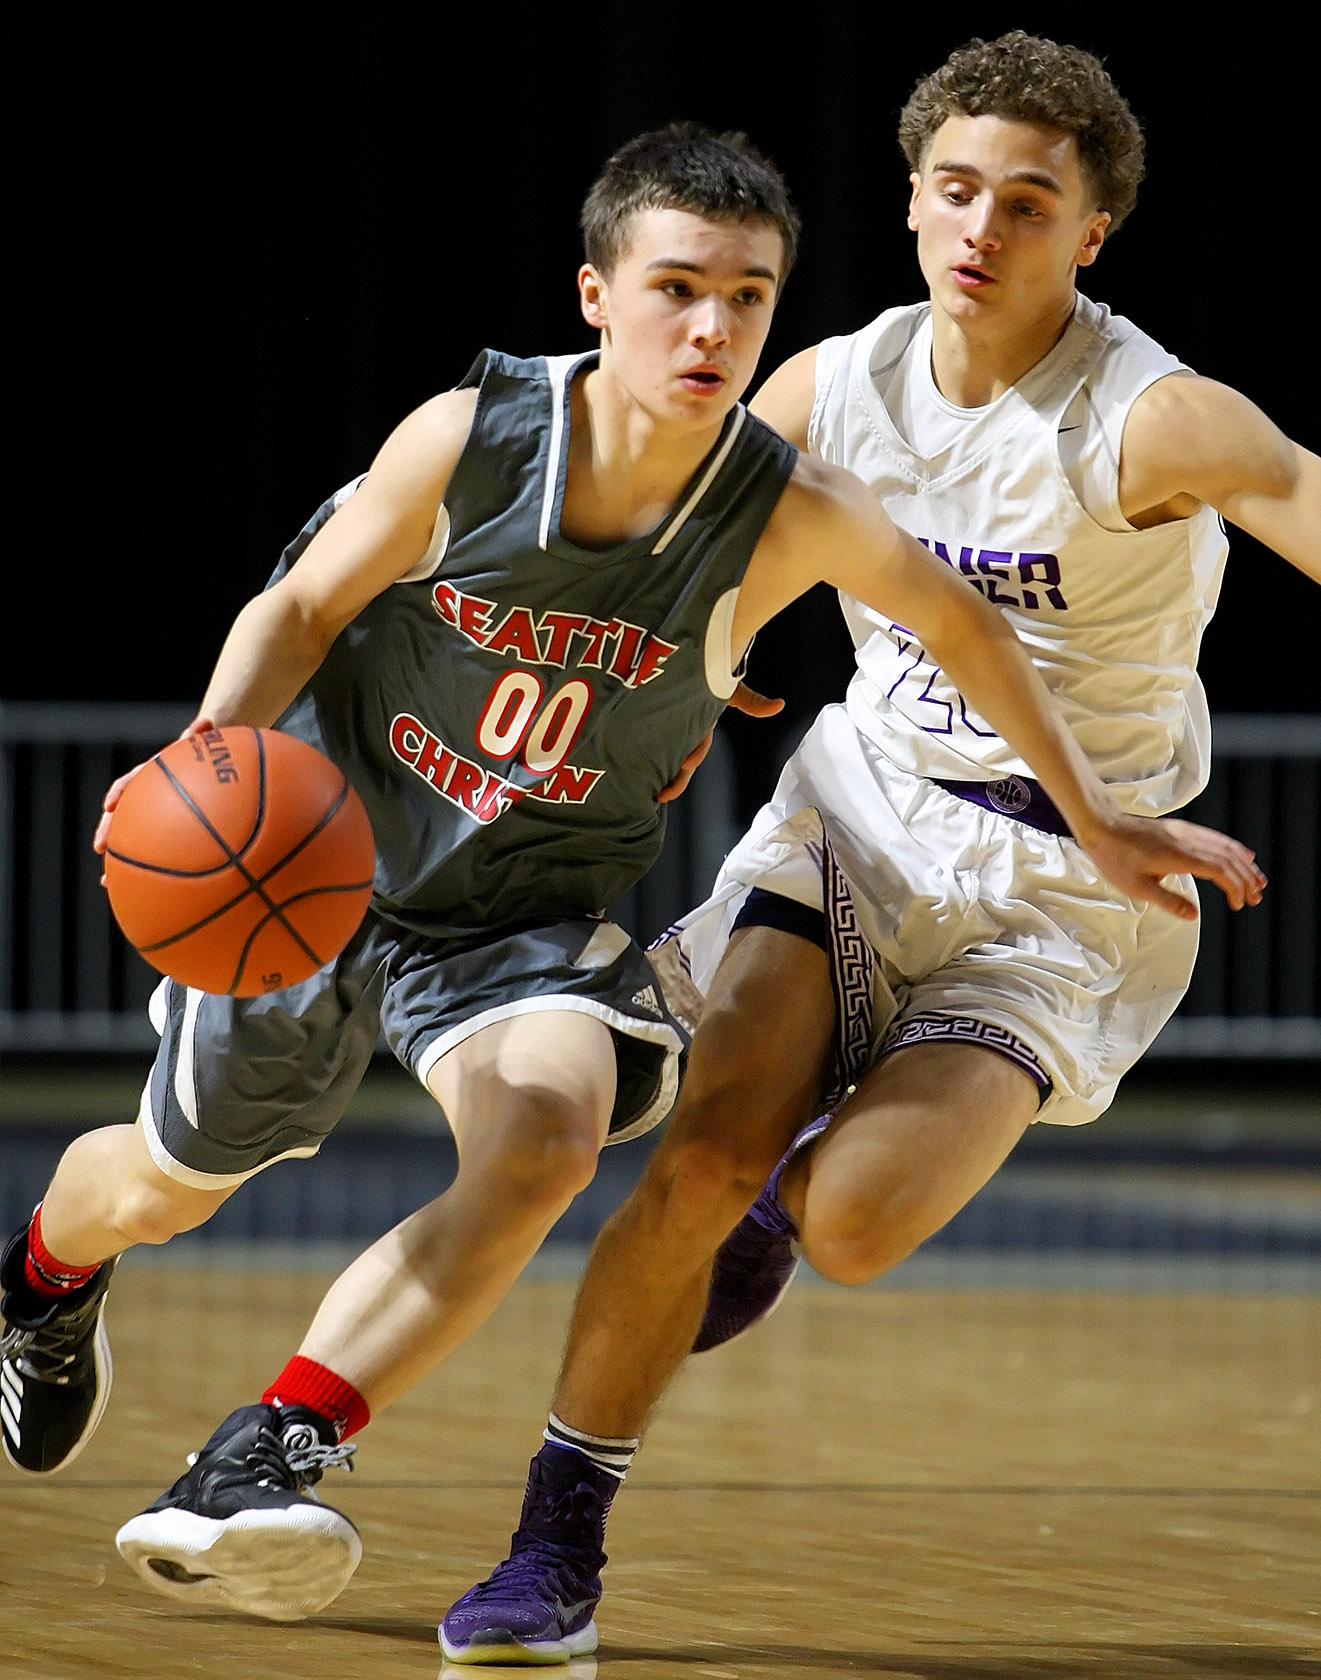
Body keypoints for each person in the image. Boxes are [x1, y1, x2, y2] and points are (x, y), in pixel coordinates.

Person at [1, 115, 1256, 1627]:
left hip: (517, 922)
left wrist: (1102, 820)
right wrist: (204, 752)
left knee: (544, 1141)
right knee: (156, 1187)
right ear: (596, 294)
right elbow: (306, 606)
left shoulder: (783, 507)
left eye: (746, 296)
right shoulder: (472, 441)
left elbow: (966, 629)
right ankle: (40, 1284)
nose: (712, 325)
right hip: (320, 876)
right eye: (676, 288)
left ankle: (261, 1457)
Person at [436, 31, 1318, 1667]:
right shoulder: (830, 383)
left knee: (845, 1222)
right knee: (692, 1164)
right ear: (912, 201)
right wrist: (711, 659)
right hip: (863, 814)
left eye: (1029, 202)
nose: (983, 226)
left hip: (1072, 882)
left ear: (1091, 232)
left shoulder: (1154, 419)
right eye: (956, 190)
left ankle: (786, 1208)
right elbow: (716, 568)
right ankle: (552, 1551)